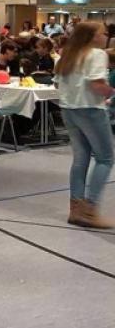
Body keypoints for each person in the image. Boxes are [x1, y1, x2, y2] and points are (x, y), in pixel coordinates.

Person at [54, 22, 114, 229]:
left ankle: (76, 208)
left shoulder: (67, 56)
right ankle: (90, 209)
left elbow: (57, 83)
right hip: (90, 110)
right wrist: (110, 91)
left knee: (80, 159)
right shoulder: (97, 55)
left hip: (68, 110)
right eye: (102, 32)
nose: (105, 35)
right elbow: (96, 84)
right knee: (106, 158)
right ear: (92, 36)